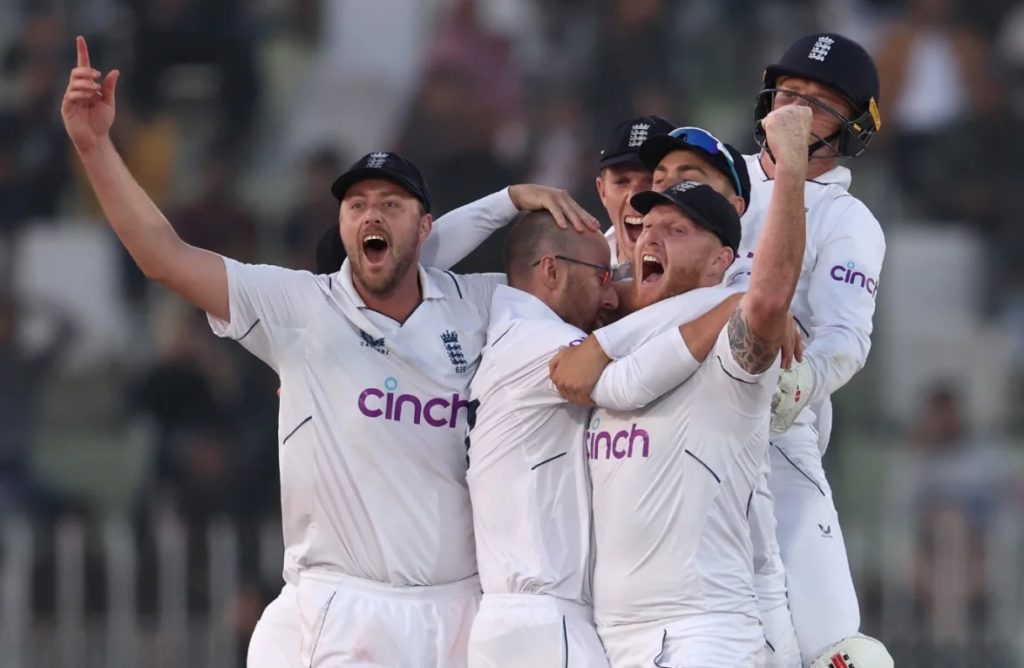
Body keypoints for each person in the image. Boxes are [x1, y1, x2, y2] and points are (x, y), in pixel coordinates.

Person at [60, 37, 593, 668]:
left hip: (457, 616)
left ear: (424, 228)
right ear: (341, 225)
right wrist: (95, 148)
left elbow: (577, 288)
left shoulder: (478, 304)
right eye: (357, 204)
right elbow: (164, 256)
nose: (372, 213)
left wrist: (516, 204)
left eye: (391, 204)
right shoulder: (301, 308)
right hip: (345, 607)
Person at [548, 104, 813, 666]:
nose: (650, 236)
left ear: (723, 259)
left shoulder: (730, 348)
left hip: (704, 630)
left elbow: (766, 300)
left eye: (676, 228)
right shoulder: (611, 336)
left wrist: (790, 166)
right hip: (609, 634)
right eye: (644, 225)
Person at [466, 212, 743, 667]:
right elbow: (629, 383)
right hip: (545, 623)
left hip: (519, 623)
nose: (614, 295)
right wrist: (733, 305)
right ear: (552, 271)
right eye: (602, 276)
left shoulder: (510, 336)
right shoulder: (539, 341)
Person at [737, 33, 893, 667]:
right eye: (790, 96)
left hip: (775, 433)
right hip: (669, 416)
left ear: (854, 127)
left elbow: (845, 338)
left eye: (821, 105)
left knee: (840, 651)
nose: (797, 113)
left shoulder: (847, 219)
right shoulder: (714, 174)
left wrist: (799, 384)